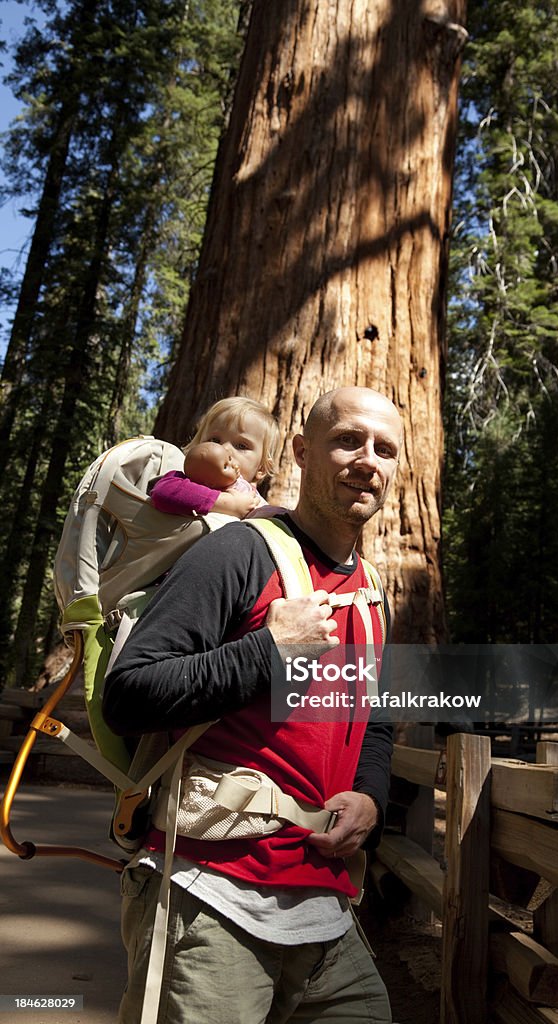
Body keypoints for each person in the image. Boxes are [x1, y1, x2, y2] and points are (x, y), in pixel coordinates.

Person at [102, 385, 402, 1024]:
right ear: (299, 452)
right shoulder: (239, 551)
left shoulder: (370, 590)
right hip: (209, 896)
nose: (367, 460)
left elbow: (371, 718)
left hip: (322, 905)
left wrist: (372, 794)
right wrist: (270, 648)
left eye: (385, 449)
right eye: (347, 439)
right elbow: (129, 693)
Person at [149, 396, 279, 519]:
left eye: (241, 446)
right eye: (215, 440)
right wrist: (228, 503)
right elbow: (162, 492)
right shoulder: (189, 481)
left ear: (261, 468)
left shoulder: (254, 501)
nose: (225, 449)